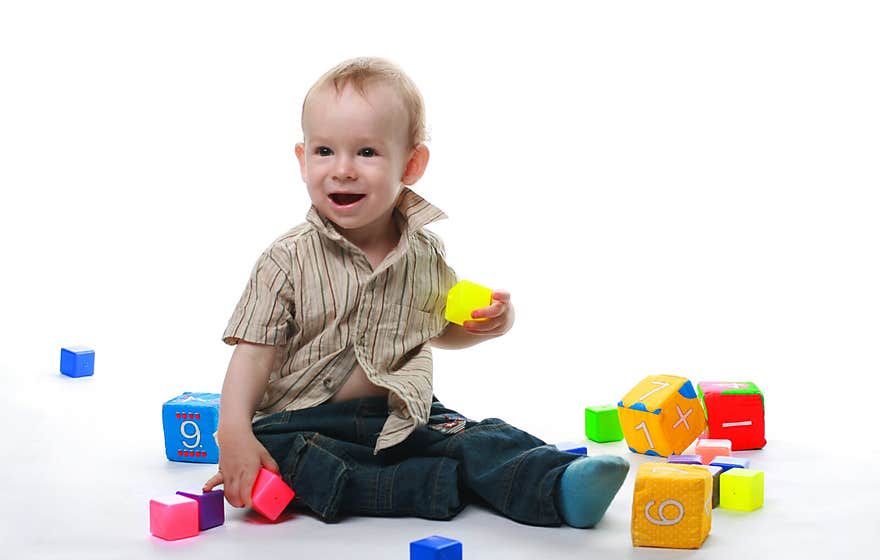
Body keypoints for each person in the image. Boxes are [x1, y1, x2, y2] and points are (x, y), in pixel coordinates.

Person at [203, 56, 629, 528]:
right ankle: (437, 483)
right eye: (325, 151)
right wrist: (235, 433)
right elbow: (253, 355)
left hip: (401, 411)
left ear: (412, 163)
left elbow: (439, 328)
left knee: (476, 436)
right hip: (304, 420)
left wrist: (485, 326)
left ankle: (558, 483)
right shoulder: (286, 259)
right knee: (290, 459)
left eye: (366, 152)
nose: (342, 169)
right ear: (303, 160)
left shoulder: (423, 252)